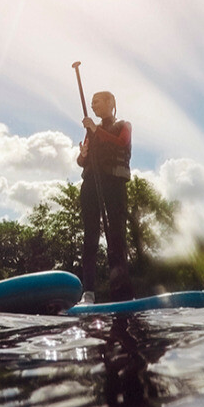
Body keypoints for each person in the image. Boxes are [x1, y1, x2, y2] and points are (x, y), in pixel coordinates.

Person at [77, 90, 134, 303]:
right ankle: (88, 293)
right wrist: (82, 155)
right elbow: (82, 161)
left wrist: (94, 129)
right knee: (90, 237)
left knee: (116, 236)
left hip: (114, 184)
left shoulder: (123, 125)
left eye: (97, 102)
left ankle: (122, 292)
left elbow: (121, 143)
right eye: (91, 103)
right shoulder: (92, 132)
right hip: (91, 184)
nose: (93, 106)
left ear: (111, 103)